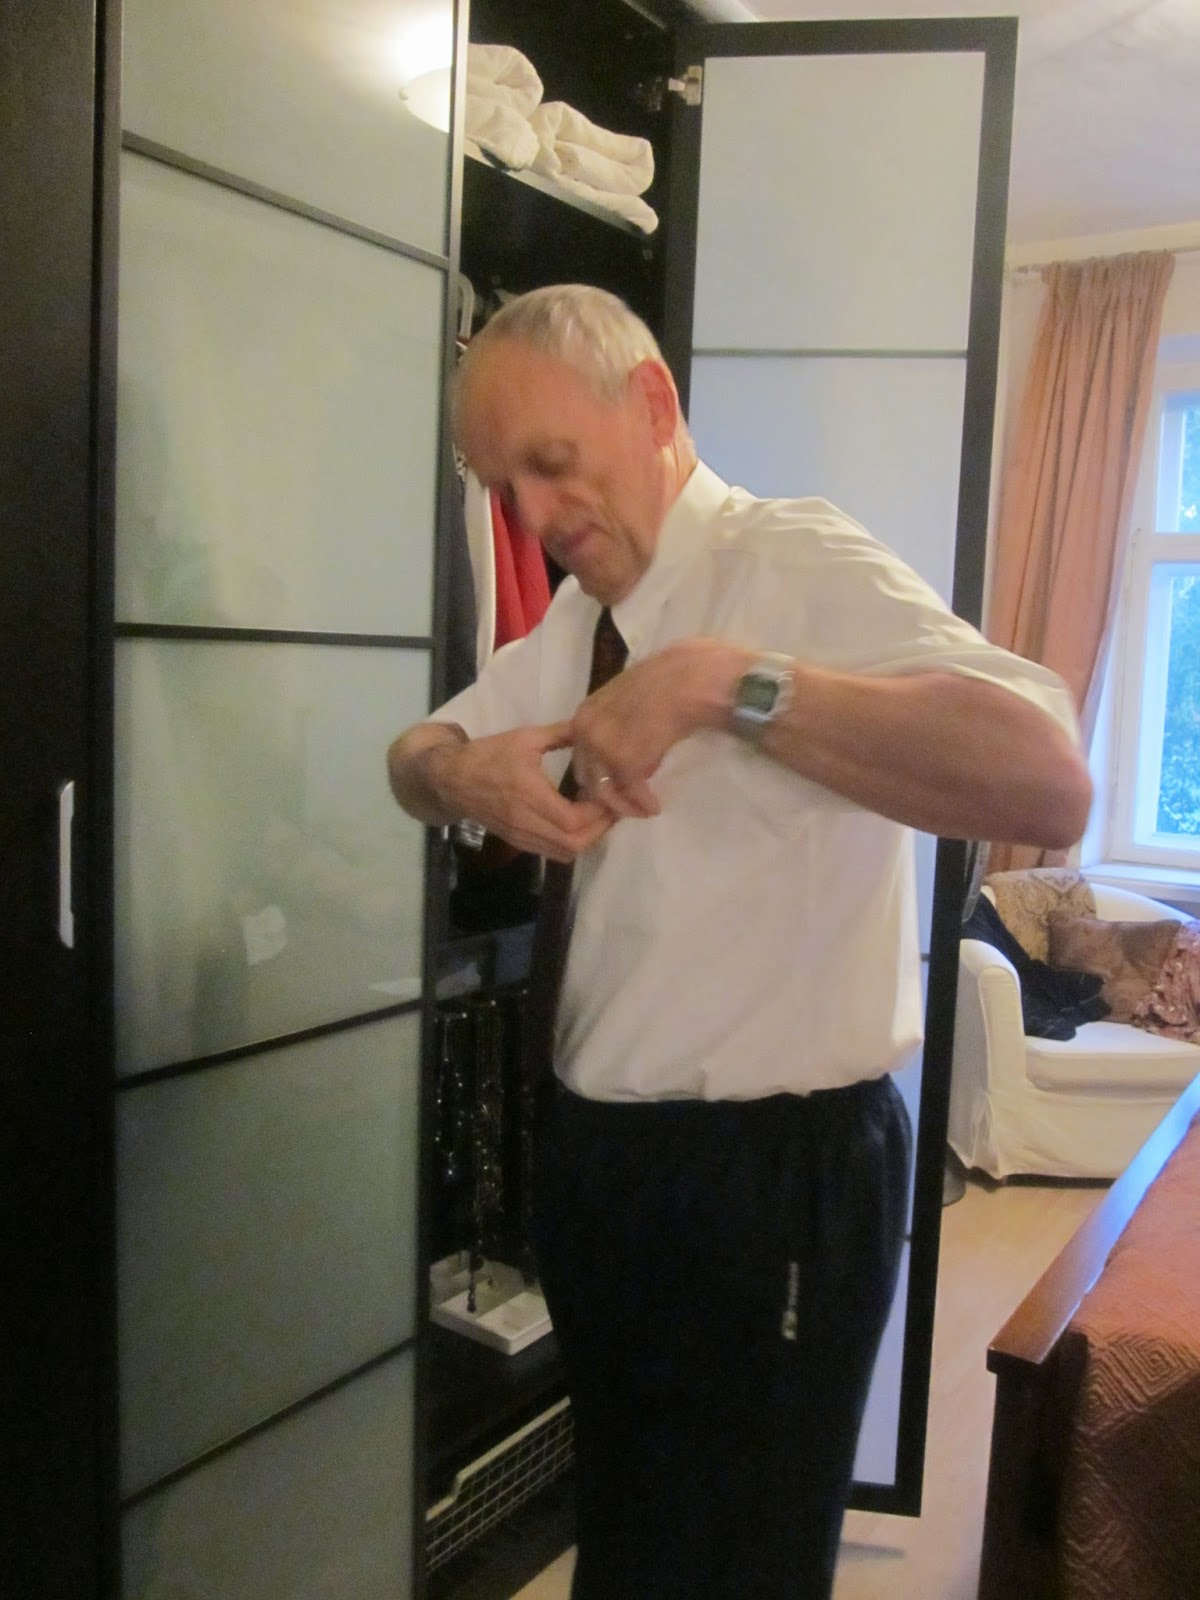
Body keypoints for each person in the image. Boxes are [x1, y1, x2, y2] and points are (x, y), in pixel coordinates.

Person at [387, 284, 1091, 1600]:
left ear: (651, 404)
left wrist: (729, 685)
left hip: (768, 1179)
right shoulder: (580, 621)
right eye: (501, 486)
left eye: (552, 462)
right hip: (606, 1163)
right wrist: (453, 774)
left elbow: (1048, 783)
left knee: (740, 1566)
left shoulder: (795, 563)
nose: (532, 515)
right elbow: (416, 752)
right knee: (634, 1543)